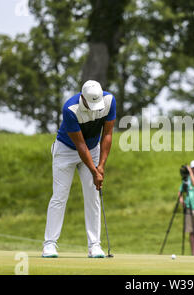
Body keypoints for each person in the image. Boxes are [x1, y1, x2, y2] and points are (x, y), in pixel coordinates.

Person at [42, 80, 116, 258]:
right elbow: (80, 145)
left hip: (93, 149)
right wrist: (94, 171)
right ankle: (49, 245)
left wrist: (101, 167)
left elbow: (107, 134)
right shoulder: (70, 109)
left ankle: (94, 246)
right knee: (59, 196)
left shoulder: (109, 101)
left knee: (93, 196)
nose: (94, 108)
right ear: (82, 97)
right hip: (66, 150)